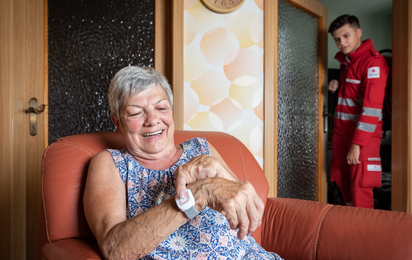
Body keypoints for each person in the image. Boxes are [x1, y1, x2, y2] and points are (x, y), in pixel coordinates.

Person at [83, 66, 283, 259]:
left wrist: (219, 169)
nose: (153, 119)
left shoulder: (201, 148)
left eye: (161, 107)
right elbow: (114, 249)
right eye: (136, 112)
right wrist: (195, 196)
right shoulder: (112, 163)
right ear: (117, 121)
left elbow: (248, 213)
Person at [328, 15, 389, 208]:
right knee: (342, 180)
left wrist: (357, 144)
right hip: (342, 133)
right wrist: (336, 85)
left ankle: (365, 235)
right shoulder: (347, 62)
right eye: (337, 39)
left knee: (360, 187)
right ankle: (352, 227)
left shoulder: (373, 63)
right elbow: (353, 95)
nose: (342, 43)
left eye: (346, 36)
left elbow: (372, 109)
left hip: (362, 138)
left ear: (359, 32)